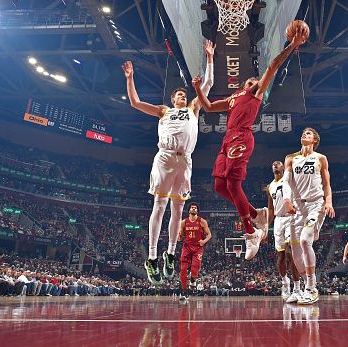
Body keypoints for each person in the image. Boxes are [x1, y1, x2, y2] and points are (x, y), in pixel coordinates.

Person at [193, 25, 309, 260]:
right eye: (252, 80)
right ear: (245, 83)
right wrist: (197, 88)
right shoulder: (235, 96)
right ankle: (257, 214)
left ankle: (251, 232)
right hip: (227, 139)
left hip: (242, 137)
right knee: (218, 185)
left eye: (258, 81)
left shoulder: (256, 93)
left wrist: (292, 46)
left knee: (234, 185)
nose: (255, 81)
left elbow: (273, 66)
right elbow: (208, 107)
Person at [124, 40, 215, 285]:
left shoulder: (194, 108)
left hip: (185, 160)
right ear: (172, 99)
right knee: (160, 206)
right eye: (179, 94)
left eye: (184, 94)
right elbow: (135, 103)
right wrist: (130, 78)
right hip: (165, 157)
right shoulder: (164, 111)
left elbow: (207, 85)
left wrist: (209, 58)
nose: (182, 96)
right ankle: (152, 257)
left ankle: (171, 254)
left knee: (178, 210)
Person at [280, 128, 336, 304]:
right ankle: (306, 287)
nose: (305, 134)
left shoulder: (320, 158)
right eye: (303, 132)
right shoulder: (291, 158)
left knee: (305, 241)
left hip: (315, 203)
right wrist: (287, 200)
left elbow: (327, 184)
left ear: (315, 140)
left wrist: (329, 202)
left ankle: (312, 288)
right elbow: (286, 182)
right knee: (295, 252)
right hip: (296, 208)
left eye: (309, 133)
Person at [265, 160, 302, 302]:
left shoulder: (290, 180)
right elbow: (271, 209)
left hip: (291, 218)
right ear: (272, 169)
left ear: (282, 167)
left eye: (278, 163)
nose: (275, 164)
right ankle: (285, 282)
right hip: (278, 221)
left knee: (290, 252)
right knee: (280, 256)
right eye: (273, 164)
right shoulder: (270, 187)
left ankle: (297, 288)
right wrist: (267, 228)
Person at [178, 202, 211, 302]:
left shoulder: (202, 221)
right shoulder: (183, 222)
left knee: (194, 269)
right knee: (183, 269)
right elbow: (180, 237)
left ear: (197, 210)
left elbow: (209, 235)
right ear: (189, 210)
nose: (193, 209)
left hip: (197, 247)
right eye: (192, 208)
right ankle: (184, 291)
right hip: (187, 247)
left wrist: (204, 241)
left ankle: (193, 281)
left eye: (195, 208)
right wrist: (179, 236)